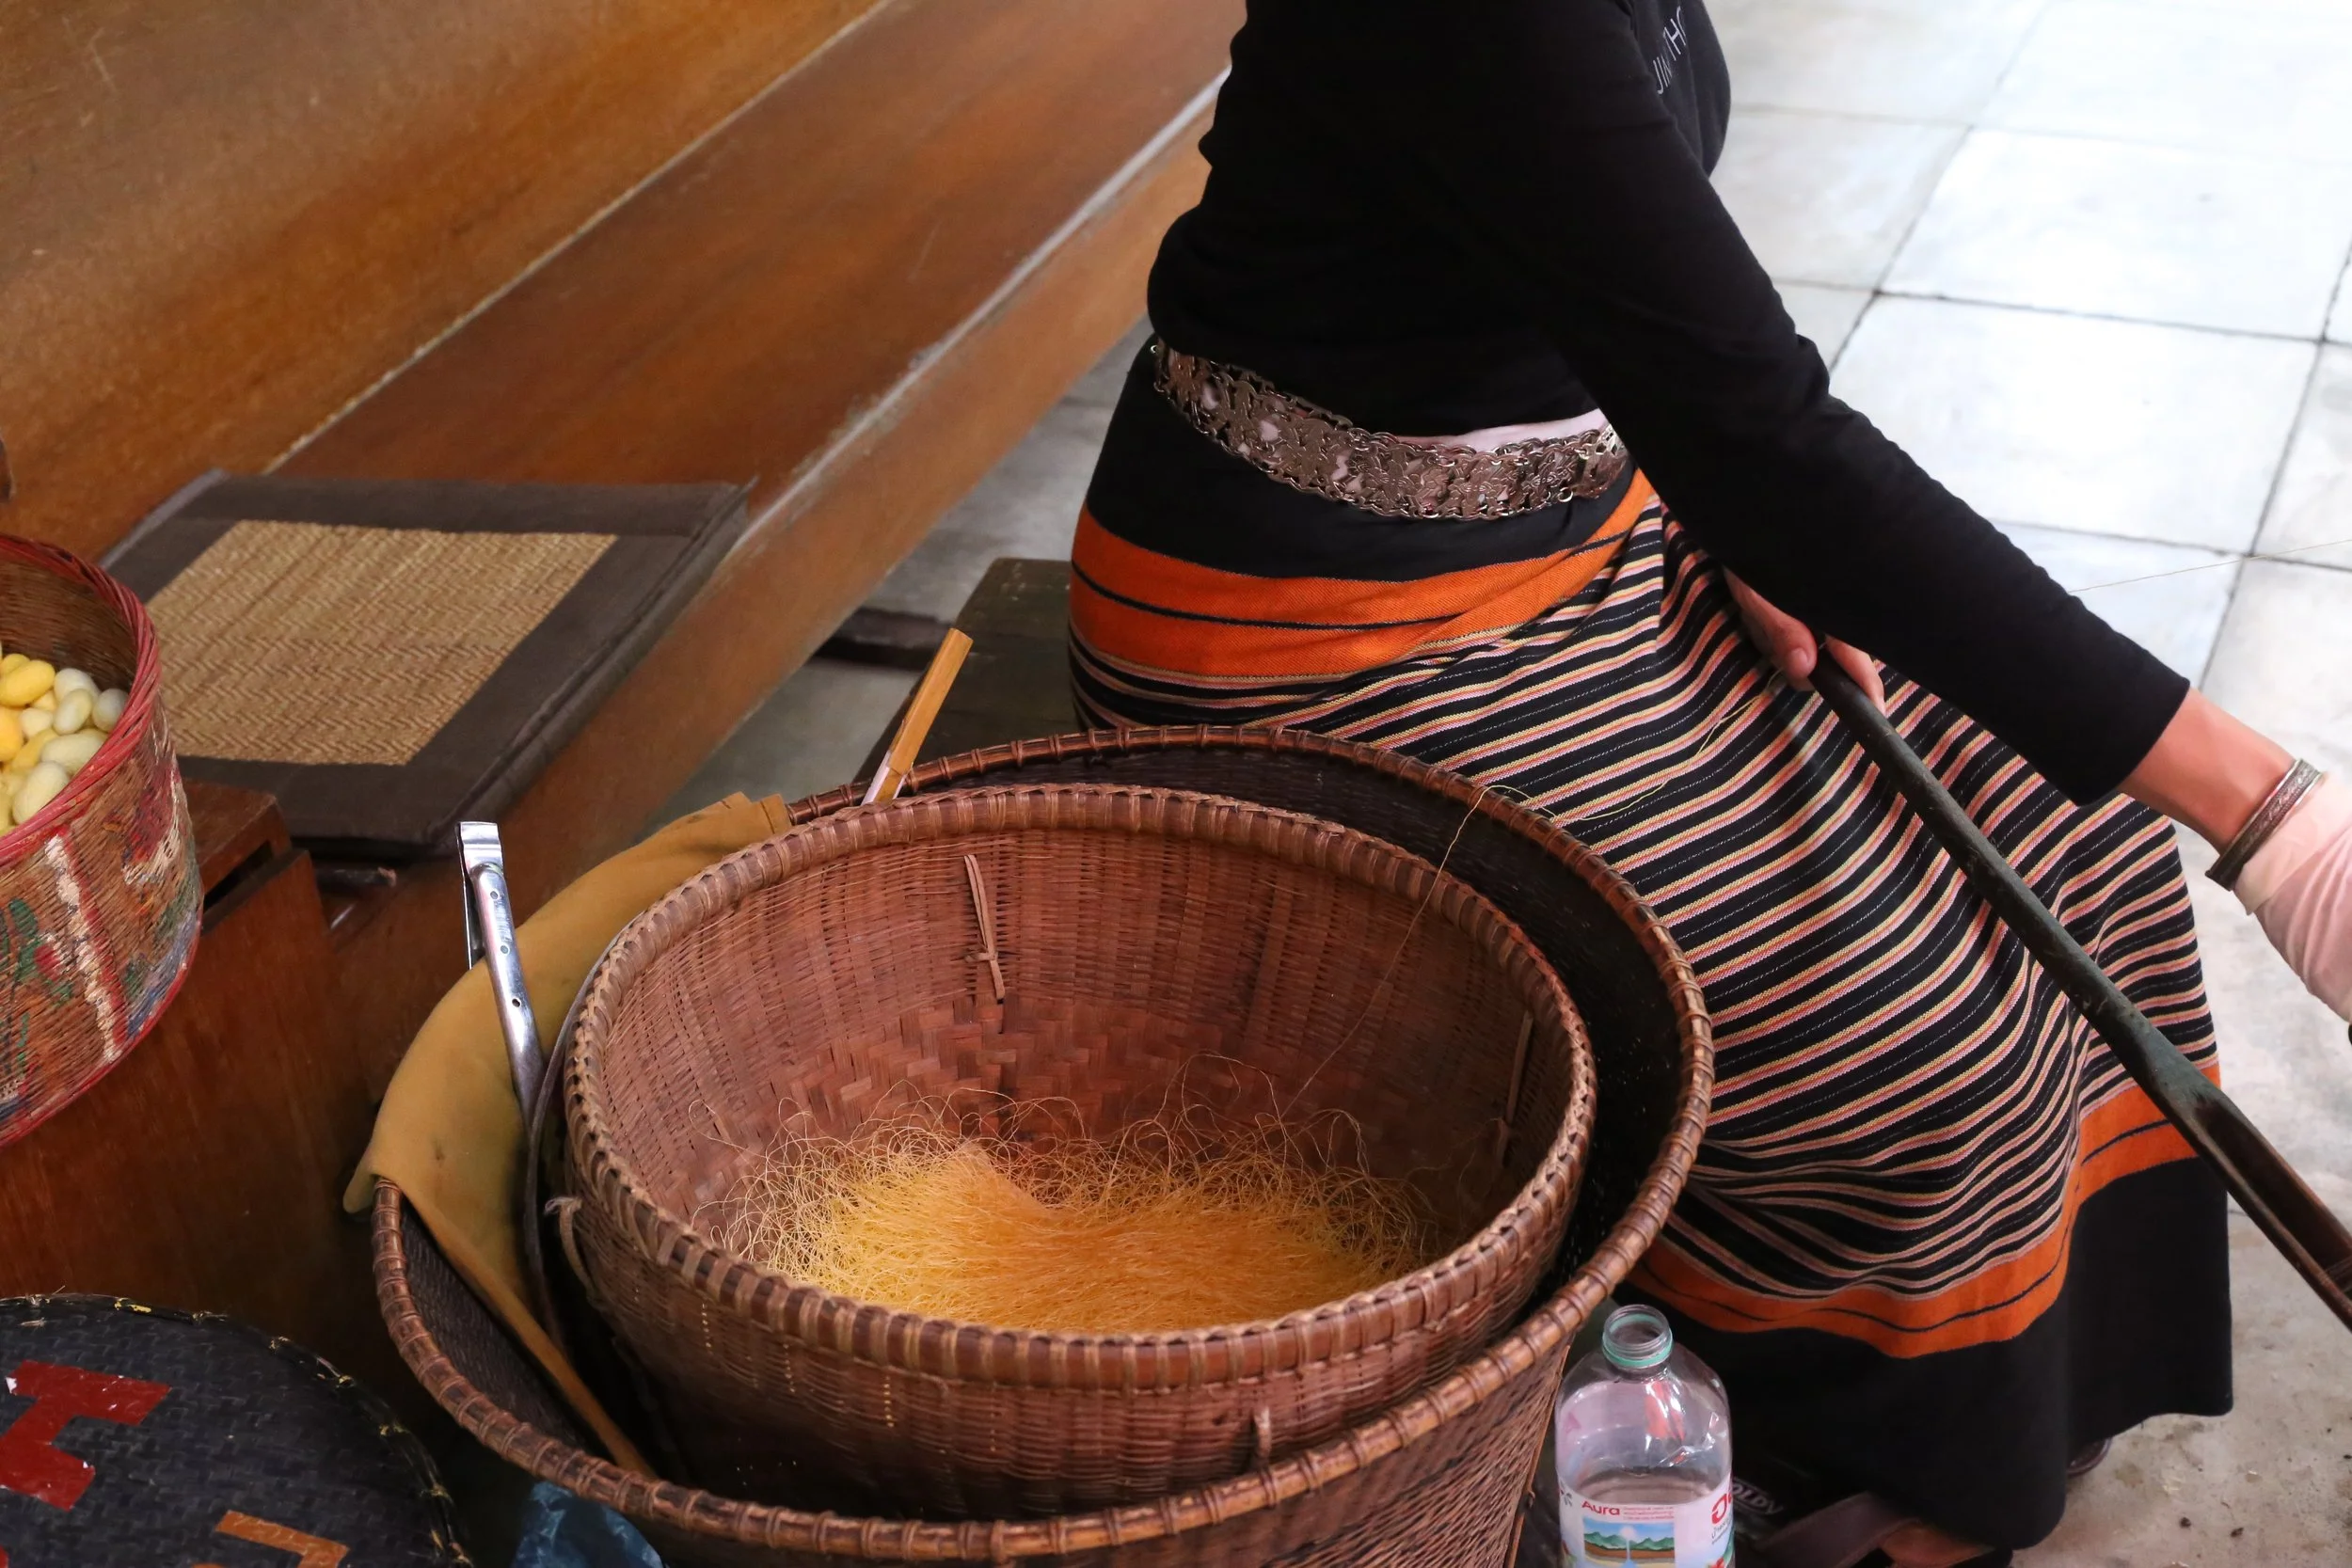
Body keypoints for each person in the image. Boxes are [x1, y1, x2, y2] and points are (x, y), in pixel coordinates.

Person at [1064, 2, 2352, 1562]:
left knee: (2063, 819)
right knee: (1906, 1043)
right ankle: (1788, 1441)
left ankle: (1977, 1412)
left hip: (1587, 516)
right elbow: (1768, 424)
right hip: (1312, 622)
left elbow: (1632, 271)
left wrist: (1713, 485)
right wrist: (2283, 823)